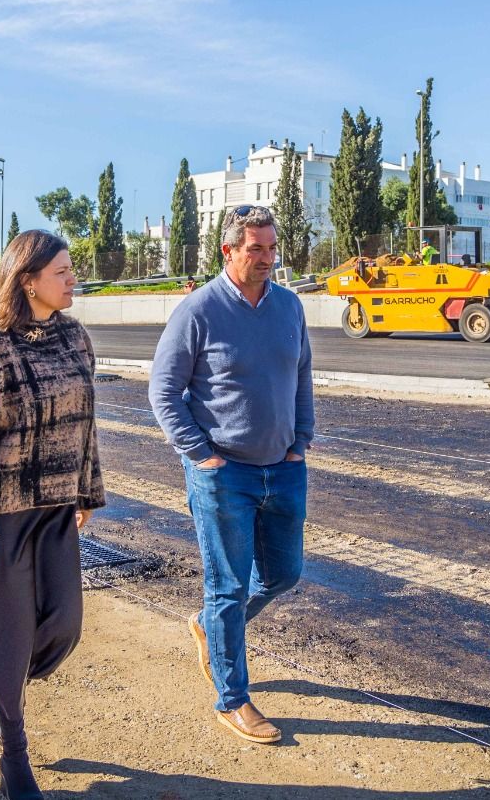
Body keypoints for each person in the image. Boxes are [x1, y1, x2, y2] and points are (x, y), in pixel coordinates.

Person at [149, 205, 314, 744]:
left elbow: (302, 376)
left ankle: (206, 628)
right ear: (229, 251)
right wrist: (200, 454)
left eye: (271, 248)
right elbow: (164, 392)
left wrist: (301, 442)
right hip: (223, 473)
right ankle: (233, 699)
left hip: (284, 468)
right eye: (255, 249)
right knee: (227, 586)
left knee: (283, 575)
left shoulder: (289, 307)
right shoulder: (199, 311)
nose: (266, 258)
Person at [0, 230, 105, 799]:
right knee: (9, 640)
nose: (73, 280)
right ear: (28, 280)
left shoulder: (75, 337)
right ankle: (13, 752)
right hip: (4, 517)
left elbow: (86, 422)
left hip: (58, 509)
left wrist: (86, 490)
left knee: (64, 624)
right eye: (62, 272)